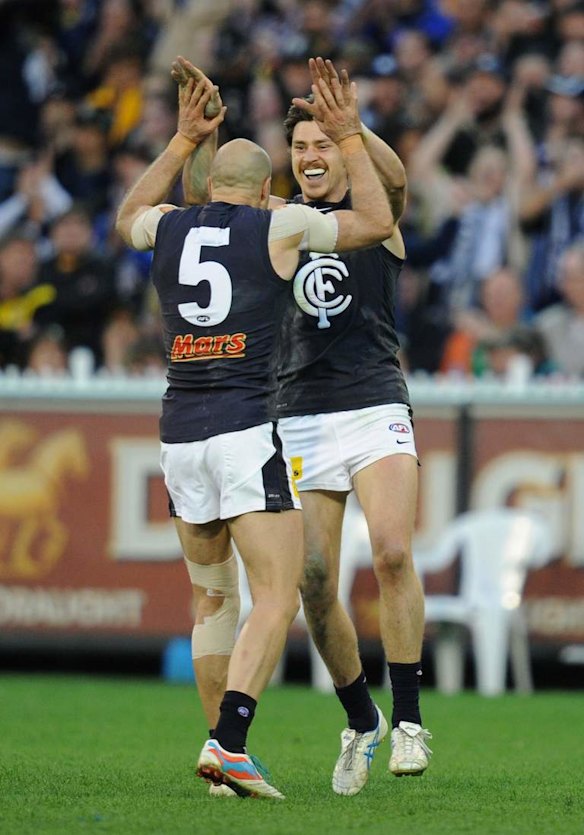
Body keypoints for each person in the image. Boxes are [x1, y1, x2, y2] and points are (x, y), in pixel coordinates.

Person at [116, 63, 394, 800]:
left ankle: (216, 759)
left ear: (208, 185)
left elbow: (125, 216)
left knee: (213, 599)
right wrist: (347, 138)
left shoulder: (169, 225)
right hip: (245, 427)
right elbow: (376, 223)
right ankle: (230, 743)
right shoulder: (279, 225)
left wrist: (179, 142)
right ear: (265, 187)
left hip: (180, 434)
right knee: (276, 595)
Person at [179, 55, 432, 799]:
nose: (311, 156)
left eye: (322, 145)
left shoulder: (374, 219)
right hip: (299, 413)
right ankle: (362, 719)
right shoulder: (276, 224)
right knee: (316, 583)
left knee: (390, 550)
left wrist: (351, 127)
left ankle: (412, 720)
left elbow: (395, 183)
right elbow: (206, 200)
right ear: (286, 163)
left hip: (375, 401)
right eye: (300, 148)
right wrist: (200, 137)